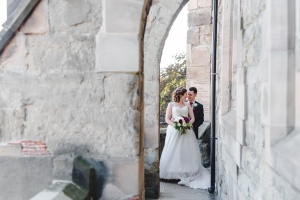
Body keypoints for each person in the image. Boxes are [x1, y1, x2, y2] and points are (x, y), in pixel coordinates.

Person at [159, 87, 210, 189]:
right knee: (174, 150)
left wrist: (186, 125)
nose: (187, 96)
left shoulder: (187, 105)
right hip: (174, 130)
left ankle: (187, 170)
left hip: (186, 130)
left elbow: (192, 118)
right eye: (185, 94)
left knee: (185, 150)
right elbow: (167, 119)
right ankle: (173, 172)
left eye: (187, 94)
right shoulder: (171, 105)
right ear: (180, 95)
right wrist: (176, 126)